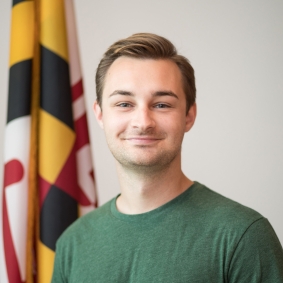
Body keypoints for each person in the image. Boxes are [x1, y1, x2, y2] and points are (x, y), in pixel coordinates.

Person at [51, 33, 283, 282]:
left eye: (162, 105)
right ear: (100, 114)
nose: (143, 122)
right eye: (124, 104)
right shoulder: (72, 244)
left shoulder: (242, 236)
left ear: (188, 116)